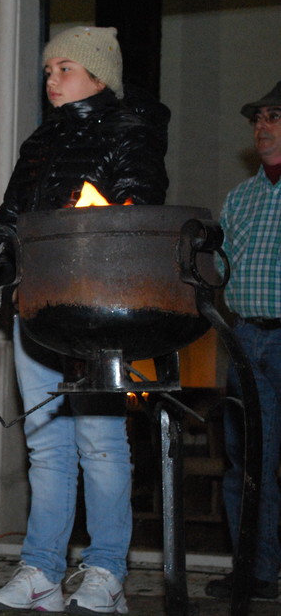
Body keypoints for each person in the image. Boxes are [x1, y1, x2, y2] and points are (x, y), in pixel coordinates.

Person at [0, 26, 169, 614]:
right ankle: (41, 567)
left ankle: (107, 569)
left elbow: (137, 209)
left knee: (101, 442)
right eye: (47, 70)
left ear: (99, 75)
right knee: (46, 444)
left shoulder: (132, 129)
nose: (51, 79)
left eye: (64, 68)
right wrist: (0, 261)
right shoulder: (39, 141)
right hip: (37, 305)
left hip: (95, 310)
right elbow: (12, 213)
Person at [204, 81, 281, 602]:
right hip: (248, 338)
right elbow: (218, 267)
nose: (262, 125)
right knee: (249, 461)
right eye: (257, 117)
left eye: (274, 116)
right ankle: (254, 569)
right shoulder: (242, 196)